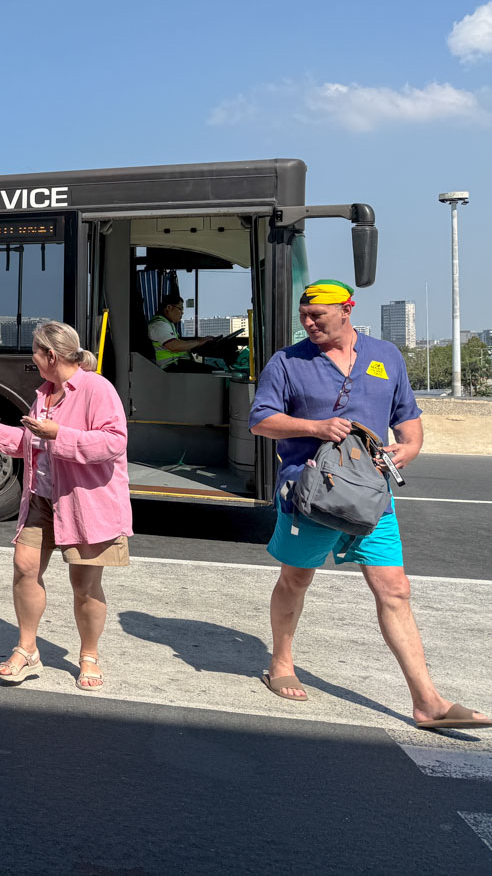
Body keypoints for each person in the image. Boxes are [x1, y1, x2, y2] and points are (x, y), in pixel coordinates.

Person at [250, 279, 488, 729]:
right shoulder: (287, 361)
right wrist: (316, 428)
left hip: (372, 494)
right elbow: (260, 420)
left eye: (317, 315)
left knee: (395, 589)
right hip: (311, 494)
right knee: (296, 580)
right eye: (304, 315)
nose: (309, 323)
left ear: (347, 310)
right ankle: (281, 663)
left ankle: (428, 702)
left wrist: (409, 449)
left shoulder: (386, 356)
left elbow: (408, 420)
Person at [0, 322, 131, 690]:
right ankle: (27, 648)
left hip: (84, 502)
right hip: (41, 498)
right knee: (24, 566)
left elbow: (114, 442)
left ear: (50, 355)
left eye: (35, 352)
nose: (32, 360)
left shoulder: (96, 388)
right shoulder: (45, 394)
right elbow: (33, 442)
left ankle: (89, 655)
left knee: (84, 584)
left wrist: (59, 435)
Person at [147, 298, 215, 372]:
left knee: (215, 371)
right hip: (170, 365)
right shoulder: (159, 324)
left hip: (177, 363)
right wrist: (198, 342)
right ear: (169, 307)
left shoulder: (168, 324)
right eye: (180, 309)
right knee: (215, 372)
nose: (182, 313)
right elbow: (174, 346)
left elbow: (179, 343)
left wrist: (197, 344)